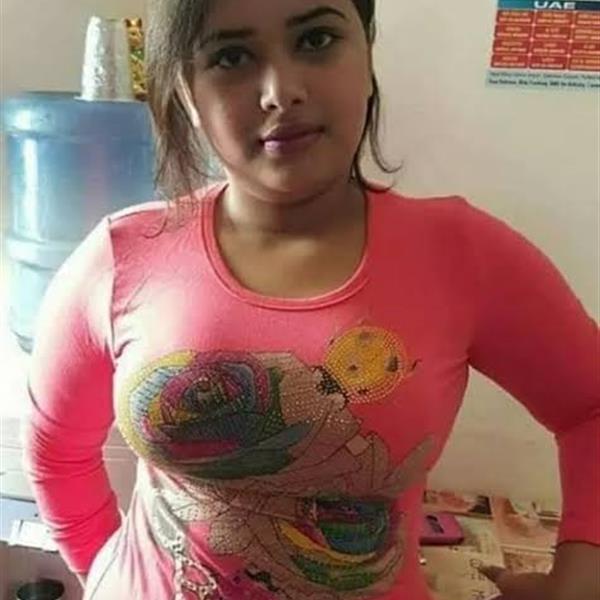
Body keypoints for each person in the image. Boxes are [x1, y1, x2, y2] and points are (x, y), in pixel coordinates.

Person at [23, 1, 599, 599]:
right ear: (188, 95)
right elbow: (56, 451)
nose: (281, 91)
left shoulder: (461, 254)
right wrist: (106, 576)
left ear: (366, 55)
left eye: (317, 39)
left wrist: (580, 578)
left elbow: (591, 406)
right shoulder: (122, 257)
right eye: (232, 56)